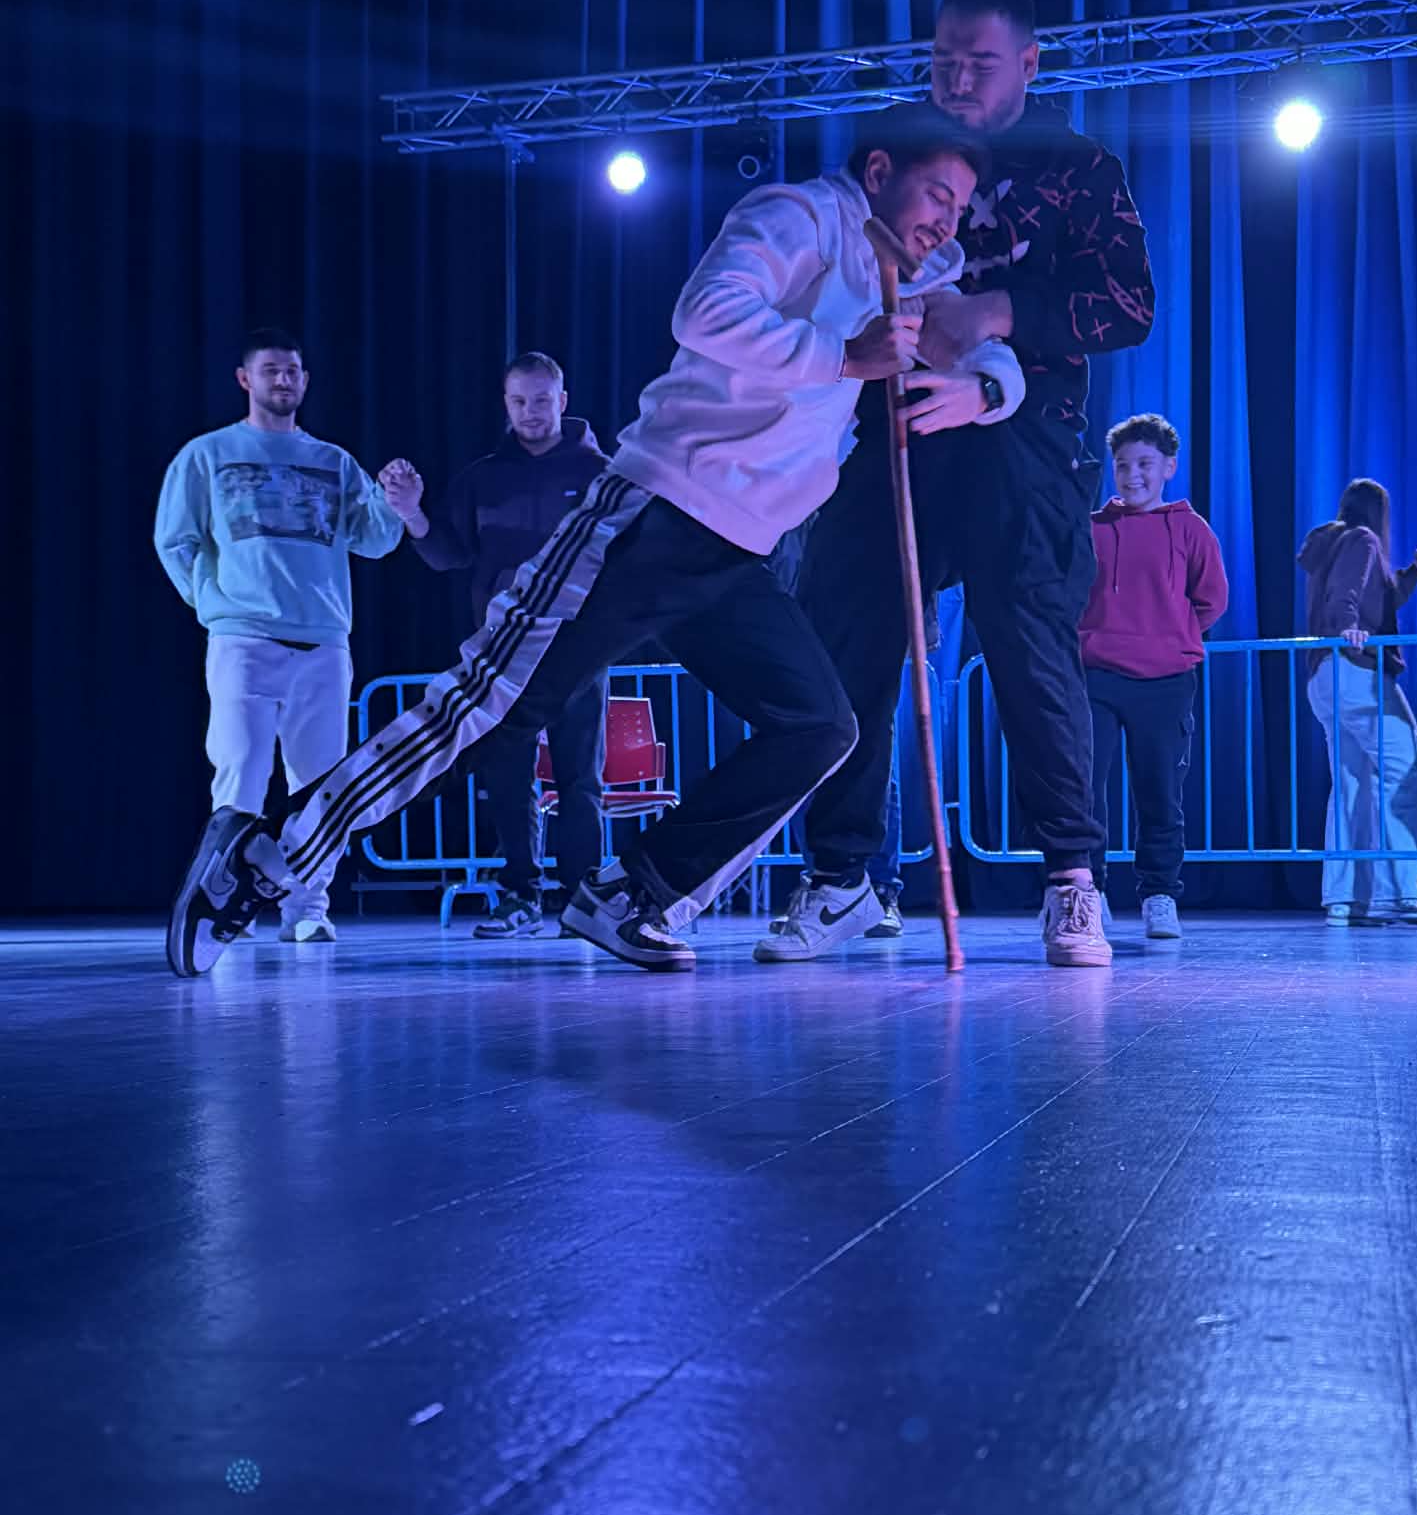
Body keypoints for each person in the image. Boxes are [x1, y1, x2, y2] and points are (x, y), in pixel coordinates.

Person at [166, 112, 1024, 978]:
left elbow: (980, 344)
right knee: (490, 707)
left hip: (739, 551)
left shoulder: (914, 278)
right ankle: (263, 858)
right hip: (656, 510)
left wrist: (985, 389)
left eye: (959, 207)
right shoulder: (798, 217)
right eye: (936, 196)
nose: (946, 221)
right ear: (878, 172)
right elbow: (705, 311)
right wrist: (841, 356)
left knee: (820, 726)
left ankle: (634, 893)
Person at [758, 0, 1155, 970]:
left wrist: (1002, 311)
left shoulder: (1078, 167)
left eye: (980, 62)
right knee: (848, 630)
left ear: (1029, 62)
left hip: (1023, 441)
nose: (958, 79)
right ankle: (843, 875)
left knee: (1028, 646)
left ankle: (1072, 879)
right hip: (891, 422)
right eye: (943, 59)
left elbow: (1129, 303)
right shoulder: (899, 151)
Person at [153, 328, 402, 947]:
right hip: (243, 637)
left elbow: (376, 539)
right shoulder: (208, 454)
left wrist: (398, 502)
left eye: (292, 370)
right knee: (239, 770)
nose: (283, 380)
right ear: (246, 379)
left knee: (319, 784)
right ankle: (224, 904)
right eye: (270, 370)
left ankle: (308, 908)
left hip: (323, 641)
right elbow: (175, 539)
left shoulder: (333, 461)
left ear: (305, 380)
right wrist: (213, 604)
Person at [380, 354, 608, 937]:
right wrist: (411, 513)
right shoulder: (481, 478)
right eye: (518, 401)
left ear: (562, 400)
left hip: (576, 646)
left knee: (580, 777)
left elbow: (627, 559)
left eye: (541, 399)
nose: (530, 412)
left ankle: (581, 898)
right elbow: (448, 554)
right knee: (506, 773)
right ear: (505, 405)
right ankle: (519, 894)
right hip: (501, 651)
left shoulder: (601, 474)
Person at [1080, 414, 1228, 941]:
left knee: (1160, 791)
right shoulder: (1091, 528)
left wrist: (1170, 634)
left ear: (1169, 467)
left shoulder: (1190, 529)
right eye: (1122, 465)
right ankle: (1088, 892)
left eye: (1144, 464)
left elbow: (1211, 599)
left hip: (1166, 680)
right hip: (1096, 675)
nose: (1132, 475)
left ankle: (1159, 895)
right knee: (1085, 790)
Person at [1297, 479, 1417, 925]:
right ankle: (1397, 892)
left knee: (1352, 784)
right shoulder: (1362, 539)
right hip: (1356, 670)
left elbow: (1380, 596)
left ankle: (1346, 898)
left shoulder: (1331, 545)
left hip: (1324, 676)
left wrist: (1413, 572)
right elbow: (1347, 593)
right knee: (1406, 769)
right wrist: (1348, 627)